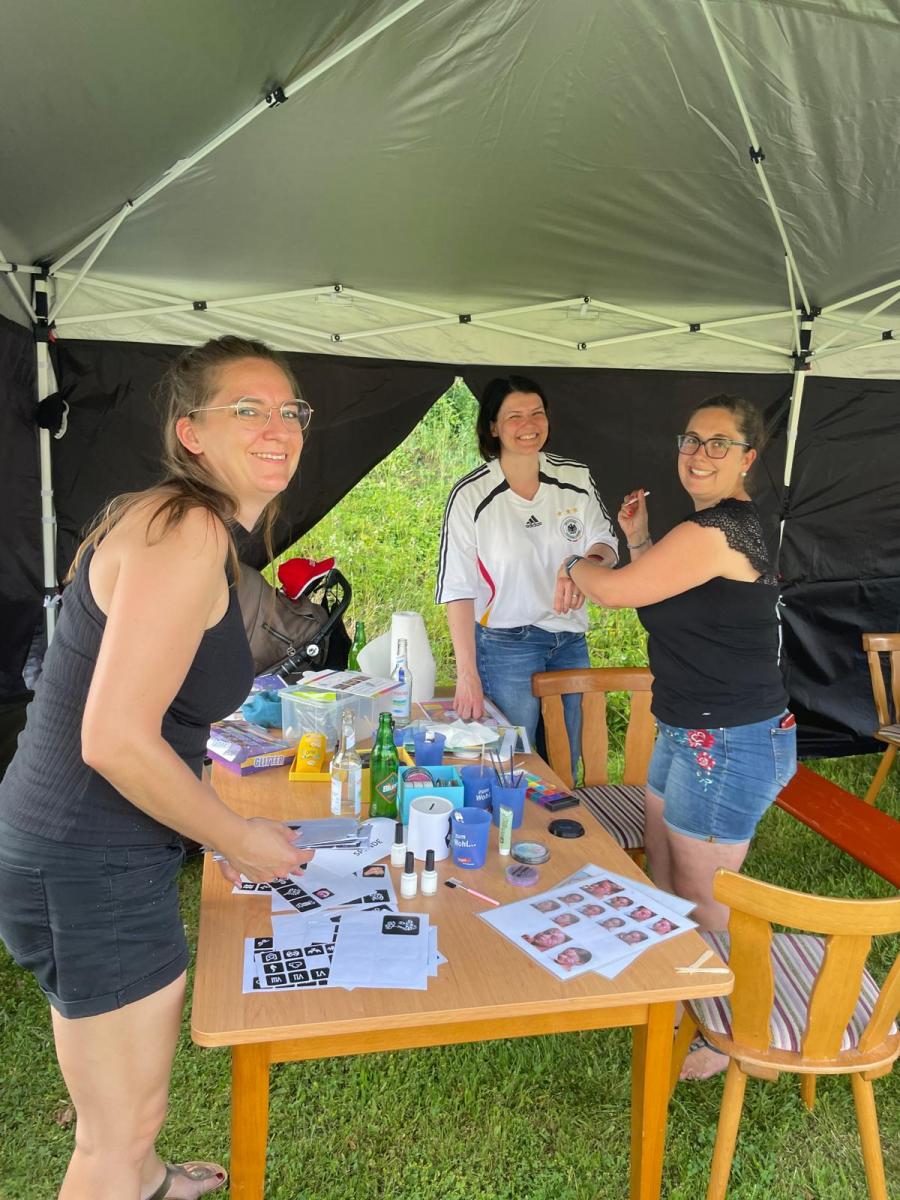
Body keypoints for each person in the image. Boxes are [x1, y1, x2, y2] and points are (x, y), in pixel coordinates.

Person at [0, 336, 314, 1200]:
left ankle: (147, 1181)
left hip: (86, 845)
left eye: (290, 410)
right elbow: (114, 740)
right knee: (114, 1130)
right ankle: (126, 1173)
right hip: (85, 855)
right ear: (192, 433)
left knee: (128, 1110)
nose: (278, 427)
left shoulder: (183, 523)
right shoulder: (185, 531)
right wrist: (238, 838)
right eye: (247, 409)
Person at [555, 393, 797, 1080]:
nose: (699, 453)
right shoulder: (705, 533)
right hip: (689, 731)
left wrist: (575, 566)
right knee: (664, 873)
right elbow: (659, 594)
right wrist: (636, 541)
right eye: (691, 440)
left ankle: (742, 1035)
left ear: (748, 458)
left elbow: (616, 592)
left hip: (730, 742)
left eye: (719, 443)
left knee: (707, 899)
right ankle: (690, 999)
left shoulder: (721, 528)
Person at [436, 376, 618, 771]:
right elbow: (458, 588)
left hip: (570, 639)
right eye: (514, 416)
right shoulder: (471, 494)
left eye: (537, 413)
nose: (529, 424)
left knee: (566, 758)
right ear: (493, 427)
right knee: (515, 760)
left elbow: (605, 542)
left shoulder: (575, 478)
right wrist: (467, 674)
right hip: (506, 645)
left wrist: (584, 566)